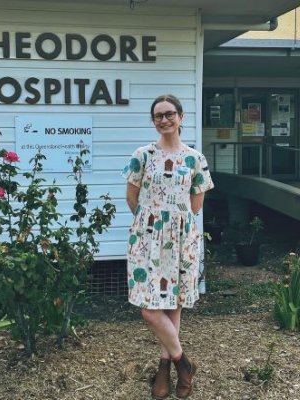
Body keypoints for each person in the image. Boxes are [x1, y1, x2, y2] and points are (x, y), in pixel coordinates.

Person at [122, 94, 214, 399]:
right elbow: (131, 197)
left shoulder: (195, 158)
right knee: (149, 309)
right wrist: (151, 224)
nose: (164, 120)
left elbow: (196, 205)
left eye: (169, 114)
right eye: (158, 115)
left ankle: (164, 368)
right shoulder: (143, 155)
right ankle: (183, 362)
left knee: (172, 303)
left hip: (182, 238)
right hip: (146, 238)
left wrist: (174, 223)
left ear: (181, 116)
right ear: (153, 120)